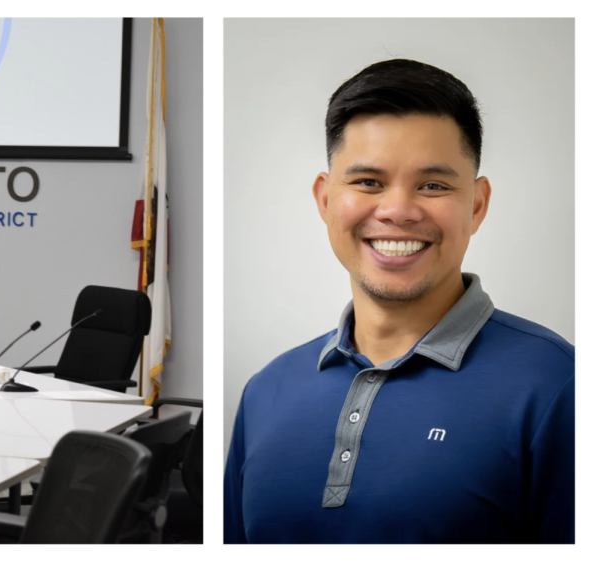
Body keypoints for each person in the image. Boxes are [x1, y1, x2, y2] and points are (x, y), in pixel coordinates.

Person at [223, 59, 574, 543]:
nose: (397, 211)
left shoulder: (560, 386)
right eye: (368, 182)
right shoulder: (265, 391)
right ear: (325, 201)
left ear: (476, 204)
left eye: (433, 185)